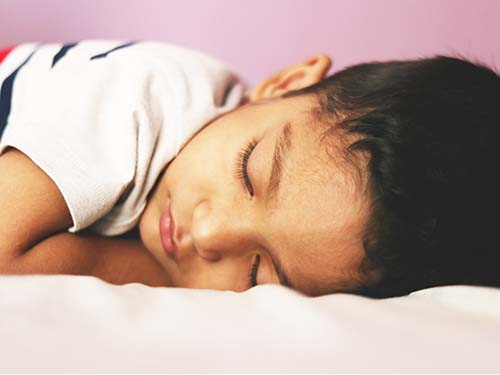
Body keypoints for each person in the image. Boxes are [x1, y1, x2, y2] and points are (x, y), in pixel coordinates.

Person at [1, 40, 499, 298]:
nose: (210, 233)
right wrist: (156, 275)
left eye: (260, 275)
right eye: (249, 171)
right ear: (285, 82)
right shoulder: (144, 95)